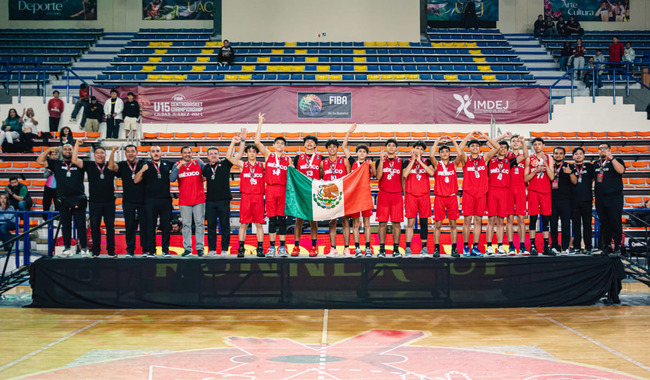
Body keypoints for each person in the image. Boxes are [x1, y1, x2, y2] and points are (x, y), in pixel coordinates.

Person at [36, 144, 89, 258]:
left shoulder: (79, 163)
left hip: (78, 199)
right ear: (62, 152)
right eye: (65, 149)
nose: (67, 151)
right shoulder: (56, 163)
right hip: (63, 200)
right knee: (65, 226)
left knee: (81, 225)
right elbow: (39, 161)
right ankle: (67, 248)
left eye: (70, 149)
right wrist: (49, 149)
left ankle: (84, 249)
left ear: (73, 151)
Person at [255, 113, 291, 258]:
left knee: (282, 219)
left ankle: (282, 248)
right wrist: (260, 123)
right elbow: (257, 142)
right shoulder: (268, 155)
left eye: (282, 143)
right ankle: (271, 247)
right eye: (278, 143)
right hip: (270, 189)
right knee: (272, 219)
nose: (280, 145)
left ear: (284, 146)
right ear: (274, 145)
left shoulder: (288, 159)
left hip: (283, 190)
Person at [71, 142, 116, 258]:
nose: (100, 155)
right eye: (97, 153)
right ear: (94, 155)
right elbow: (75, 160)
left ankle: (111, 251)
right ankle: (96, 251)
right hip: (94, 202)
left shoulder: (110, 166)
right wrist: (76, 144)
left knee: (110, 227)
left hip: (109, 202)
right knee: (94, 227)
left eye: (102, 153)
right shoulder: (89, 165)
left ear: (105, 155)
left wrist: (113, 152)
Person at [458, 132, 498, 257]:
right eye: (472, 146)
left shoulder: (484, 158)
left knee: (478, 221)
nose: (475, 148)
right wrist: (469, 136)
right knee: (467, 220)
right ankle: (465, 246)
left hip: (481, 194)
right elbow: (459, 149)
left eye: (476, 146)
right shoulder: (465, 159)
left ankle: (475, 246)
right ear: (469, 148)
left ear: (479, 148)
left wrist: (484, 137)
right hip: (468, 194)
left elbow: (496, 147)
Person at [227, 133, 265, 258]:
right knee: (243, 224)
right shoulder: (242, 165)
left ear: (256, 153)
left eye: (254, 151)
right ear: (246, 153)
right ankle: (241, 248)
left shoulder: (262, 165)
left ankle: (260, 248)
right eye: (250, 151)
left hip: (258, 196)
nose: (252, 153)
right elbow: (229, 157)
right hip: (246, 197)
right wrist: (233, 143)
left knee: (259, 224)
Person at [342, 124, 376, 257]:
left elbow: (375, 175)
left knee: (367, 223)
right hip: (355, 197)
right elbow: (344, 147)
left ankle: (367, 247)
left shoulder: (368, 164)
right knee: (355, 224)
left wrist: (372, 167)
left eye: (364, 152)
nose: (362, 153)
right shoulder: (352, 162)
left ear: (367, 154)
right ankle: (356, 247)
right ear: (357, 153)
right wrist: (348, 133)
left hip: (365, 195)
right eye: (360, 151)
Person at [109, 144, 148, 257]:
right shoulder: (122, 165)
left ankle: (145, 250)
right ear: (125, 154)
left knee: (144, 226)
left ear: (136, 153)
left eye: (133, 151)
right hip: (128, 201)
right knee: (129, 226)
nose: (130, 153)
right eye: (128, 151)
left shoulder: (142, 164)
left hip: (143, 200)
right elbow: (111, 167)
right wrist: (112, 152)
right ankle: (130, 250)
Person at [134, 146, 173, 257]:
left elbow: (181, 164)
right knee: (150, 226)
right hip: (150, 200)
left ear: (161, 153)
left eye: (157, 151)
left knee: (166, 226)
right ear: (150, 154)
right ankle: (152, 250)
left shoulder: (168, 164)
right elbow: (136, 180)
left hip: (165, 200)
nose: (155, 153)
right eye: (153, 151)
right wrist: (142, 170)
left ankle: (165, 250)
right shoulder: (144, 165)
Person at [203, 143, 240, 257]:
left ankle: (224, 249)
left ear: (219, 155)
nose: (213, 155)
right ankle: (212, 249)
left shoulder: (225, 164)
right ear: (208, 156)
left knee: (225, 226)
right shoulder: (206, 168)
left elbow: (238, 156)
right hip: (210, 201)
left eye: (215, 153)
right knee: (211, 227)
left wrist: (236, 142)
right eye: (211, 154)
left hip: (223, 201)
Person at [430, 136, 463, 258]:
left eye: (447, 151)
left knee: (453, 225)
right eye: (442, 151)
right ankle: (436, 249)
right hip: (439, 197)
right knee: (437, 225)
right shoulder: (437, 165)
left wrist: (453, 141)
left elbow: (460, 155)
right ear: (440, 154)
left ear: (449, 153)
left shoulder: (454, 165)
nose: (444, 153)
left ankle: (454, 249)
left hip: (452, 197)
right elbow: (431, 156)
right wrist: (437, 141)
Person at [170, 146, 206, 257]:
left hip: (198, 199)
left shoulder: (198, 163)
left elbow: (208, 173)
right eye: (185, 153)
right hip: (184, 200)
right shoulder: (177, 165)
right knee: (186, 225)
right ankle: (187, 248)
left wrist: (203, 163)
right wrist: (179, 166)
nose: (187, 155)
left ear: (192, 153)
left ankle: (200, 248)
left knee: (200, 224)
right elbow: (171, 178)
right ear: (181, 154)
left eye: (189, 152)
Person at [524, 137, 555, 256]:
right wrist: (535, 171)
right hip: (533, 191)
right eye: (535, 144)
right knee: (532, 218)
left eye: (539, 144)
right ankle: (533, 246)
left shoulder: (549, 158)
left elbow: (552, 177)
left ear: (543, 145)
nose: (537, 146)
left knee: (546, 219)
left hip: (546, 191)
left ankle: (546, 246)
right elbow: (525, 179)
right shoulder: (529, 159)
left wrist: (546, 164)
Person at [402, 141, 434, 257]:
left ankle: (424, 248)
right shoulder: (406, 161)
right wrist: (413, 159)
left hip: (424, 195)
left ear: (423, 151)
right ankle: (408, 248)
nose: (418, 150)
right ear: (413, 149)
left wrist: (419, 160)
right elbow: (405, 175)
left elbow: (431, 172)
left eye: (421, 149)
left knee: (424, 222)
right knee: (410, 222)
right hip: (411, 195)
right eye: (416, 148)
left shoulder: (427, 161)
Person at [292, 135, 321, 257]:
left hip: (314, 192)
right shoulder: (298, 158)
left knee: (313, 220)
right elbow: (293, 173)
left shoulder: (320, 158)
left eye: (312, 142)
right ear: (304, 145)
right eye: (307, 142)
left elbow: (322, 174)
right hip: (301, 192)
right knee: (299, 220)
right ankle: (296, 246)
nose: (309, 143)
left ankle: (314, 246)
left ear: (315, 145)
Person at [321, 138, 351, 257]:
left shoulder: (344, 161)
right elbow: (319, 179)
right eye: (330, 147)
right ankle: (333, 248)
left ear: (337, 149)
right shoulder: (323, 163)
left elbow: (349, 178)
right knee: (332, 222)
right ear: (327, 149)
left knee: (345, 222)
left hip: (342, 196)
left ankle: (346, 248)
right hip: (330, 197)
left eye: (334, 147)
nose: (332, 149)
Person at [594, 143, 625, 254]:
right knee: (605, 223)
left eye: (605, 148)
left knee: (615, 222)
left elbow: (621, 171)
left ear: (610, 150)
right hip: (600, 198)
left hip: (614, 197)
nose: (602, 150)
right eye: (600, 149)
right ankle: (607, 245)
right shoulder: (596, 164)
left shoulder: (617, 160)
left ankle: (617, 246)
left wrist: (611, 159)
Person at [376, 138, 404, 258]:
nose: (391, 147)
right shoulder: (380, 161)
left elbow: (403, 178)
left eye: (393, 145)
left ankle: (396, 249)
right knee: (382, 223)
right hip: (383, 194)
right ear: (386, 148)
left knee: (396, 224)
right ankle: (381, 249)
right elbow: (378, 176)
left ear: (396, 148)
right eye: (389, 145)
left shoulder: (401, 161)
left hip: (397, 194)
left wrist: (405, 193)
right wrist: (382, 161)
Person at [485, 139, 514, 256]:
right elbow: (488, 144)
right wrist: (501, 137)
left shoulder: (510, 161)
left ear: (507, 150)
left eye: (504, 148)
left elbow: (525, 156)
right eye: (500, 147)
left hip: (504, 192)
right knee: (491, 220)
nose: (502, 149)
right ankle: (489, 246)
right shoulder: (490, 160)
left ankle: (500, 246)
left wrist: (522, 142)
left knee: (501, 221)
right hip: (492, 191)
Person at [549, 147, 575, 255]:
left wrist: (570, 173)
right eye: (556, 153)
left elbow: (574, 181)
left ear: (564, 155)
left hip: (566, 200)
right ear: (553, 155)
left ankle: (565, 248)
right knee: (553, 225)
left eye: (560, 153)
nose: (558, 155)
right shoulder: (550, 166)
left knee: (565, 225)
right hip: (552, 199)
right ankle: (554, 246)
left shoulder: (569, 166)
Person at [506, 135, 529, 255]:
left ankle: (522, 245)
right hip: (508, 189)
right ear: (510, 144)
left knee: (521, 219)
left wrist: (523, 141)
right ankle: (510, 246)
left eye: (517, 141)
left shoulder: (524, 156)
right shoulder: (506, 155)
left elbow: (525, 155)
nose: (515, 143)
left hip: (520, 188)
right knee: (509, 218)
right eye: (513, 141)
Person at [569, 147, 595, 254]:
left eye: (580, 153)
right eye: (576, 154)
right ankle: (577, 247)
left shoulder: (590, 166)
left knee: (587, 224)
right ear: (573, 156)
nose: (578, 155)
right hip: (574, 201)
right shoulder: (569, 166)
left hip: (587, 200)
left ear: (584, 156)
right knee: (576, 225)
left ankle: (588, 247)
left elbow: (593, 178)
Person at [42, 149, 59, 220]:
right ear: (50, 156)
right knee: (46, 203)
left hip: (57, 187)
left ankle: (57, 218)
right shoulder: (47, 164)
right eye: (52, 155)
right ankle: (45, 219)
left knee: (57, 204)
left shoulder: (59, 163)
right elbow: (44, 175)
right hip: (48, 186)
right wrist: (49, 171)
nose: (54, 156)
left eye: (55, 154)